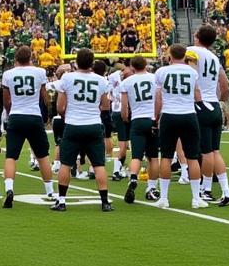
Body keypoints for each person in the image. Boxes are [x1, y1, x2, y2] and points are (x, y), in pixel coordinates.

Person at [53, 48, 113, 212]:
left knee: (66, 163)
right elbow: (106, 105)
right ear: (92, 63)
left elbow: (60, 106)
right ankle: (105, 202)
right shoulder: (101, 80)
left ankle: (62, 201)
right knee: (99, 164)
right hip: (93, 124)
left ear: (77, 62)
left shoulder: (68, 77)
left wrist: (66, 116)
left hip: (73, 124)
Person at [1, 45, 55, 207]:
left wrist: (10, 114)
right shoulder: (39, 72)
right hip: (33, 116)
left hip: (17, 115)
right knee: (42, 155)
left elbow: (6, 100)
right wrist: (47, 115)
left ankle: (9, 189)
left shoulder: (8, 74)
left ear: (16, 59)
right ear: (31, 57)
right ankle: (50, 190)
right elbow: (45, 98)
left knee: (11, 156)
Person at [155, 44, 205, 210]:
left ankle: (163, 197)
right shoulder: (192, 72)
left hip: (169, 114)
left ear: (170, 54)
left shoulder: (161, 72)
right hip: (188, 114)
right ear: (185, 55)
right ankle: (196, 198)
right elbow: (197, 95)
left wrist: (156, 116)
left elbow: (158, 98)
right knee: (192, 157)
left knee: (167, 156)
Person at [189, 27, 229, 205]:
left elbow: (191, 76)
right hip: (214, 105)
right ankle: (226, 192)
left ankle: (206, 190)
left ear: (198, 37)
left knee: (206, 152)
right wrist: (220, 102)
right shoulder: (214, 57)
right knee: (215, 151)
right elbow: (225, 86)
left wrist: (198, 100)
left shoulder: (192, 52)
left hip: (202, 105)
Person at [118, 56, 160, 204]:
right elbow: (160, 98)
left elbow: (124, 107)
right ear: (146, 65)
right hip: (152, 118)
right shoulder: (155, 78)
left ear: (132, 67)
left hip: (137, 119)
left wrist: (125, 119)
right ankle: (151, 188)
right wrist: (157, 117)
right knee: (153, 157)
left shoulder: (126, 82)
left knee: (136, 156)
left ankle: (134, 178)